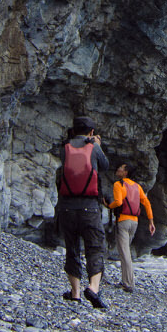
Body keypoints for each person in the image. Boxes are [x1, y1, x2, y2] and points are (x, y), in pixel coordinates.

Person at [55, 115, 110, 308]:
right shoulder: (93, 146)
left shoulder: (65, 147)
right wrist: (97, 144)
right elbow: (105, 165)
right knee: (94, 247)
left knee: (72, 248)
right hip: (90, 207)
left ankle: (75, 293)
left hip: (67, 207)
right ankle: (93, 288)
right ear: (92, 132)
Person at [106, 161, 155, 293]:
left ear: (125, 172)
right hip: (134, 222)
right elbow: (147, 203)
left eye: (121, 168)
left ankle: (129, 284)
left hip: (123, 221)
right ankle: (126, 281)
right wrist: (151, 221)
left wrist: (108, 206)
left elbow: (118, 202)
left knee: (125, 253)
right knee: (125, 251)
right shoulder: (137, 187)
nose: (118, 168)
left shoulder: (119, 184)